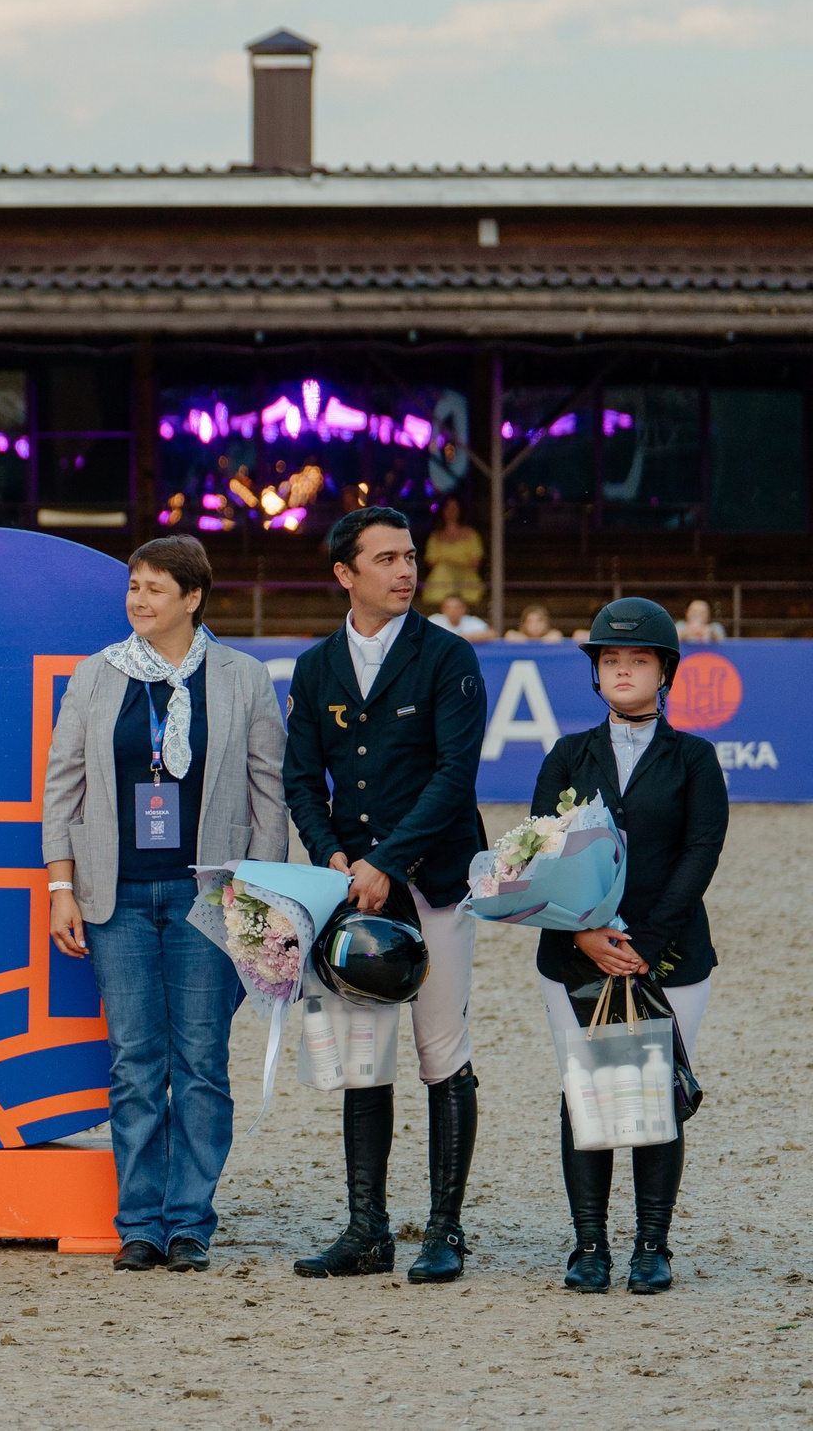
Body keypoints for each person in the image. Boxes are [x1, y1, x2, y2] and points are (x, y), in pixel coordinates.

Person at [42, 535, 287, 1272]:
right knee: (134, 1062)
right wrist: (60, 887)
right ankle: (140, 1223)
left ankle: (189, 1221)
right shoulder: (96, 675)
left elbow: (268, 796)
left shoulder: (244, 678)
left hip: (208, 896)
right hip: (113, 895)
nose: (138, 600)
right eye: (133, 587)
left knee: (202, 1062)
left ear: (193, 597)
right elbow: (63, 787)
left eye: (154, 588)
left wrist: (260, 902)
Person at [284, 505, 489, 1283]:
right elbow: (302, 780)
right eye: (387, 558)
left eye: (409, 556)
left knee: (442, 1052)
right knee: (363, 1058)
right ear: (345, 572)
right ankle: (367, 1229)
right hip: (354, 889)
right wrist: (334, 857)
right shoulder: (315, 667)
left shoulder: (449, 656)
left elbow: (454, 776)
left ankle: (445, 1228)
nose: (406, 570)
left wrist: (388, 861)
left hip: (434, 881)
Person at [531, 598, 724, 1295]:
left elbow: (701, 851)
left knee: (654, 1090)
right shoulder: (566, 754)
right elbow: (538, 853)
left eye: (638, 659)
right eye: (610, 659)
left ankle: (651, 1245)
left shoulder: (695, 757)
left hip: (669, 955)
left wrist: (646, 941)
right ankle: (589, 1245)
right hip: (574, 954)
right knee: (584, 1091)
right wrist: (582, 932)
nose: (622, 669)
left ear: (664, 671)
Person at [421, 498, 484, 609]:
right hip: (443, 578)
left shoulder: (471, 534)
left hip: (465, 576)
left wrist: (455, 563)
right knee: (443, 569)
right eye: (448, 508)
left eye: (454, 508)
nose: (451, 511)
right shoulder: (435, 536)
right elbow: (431, 562)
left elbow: (476, 562)